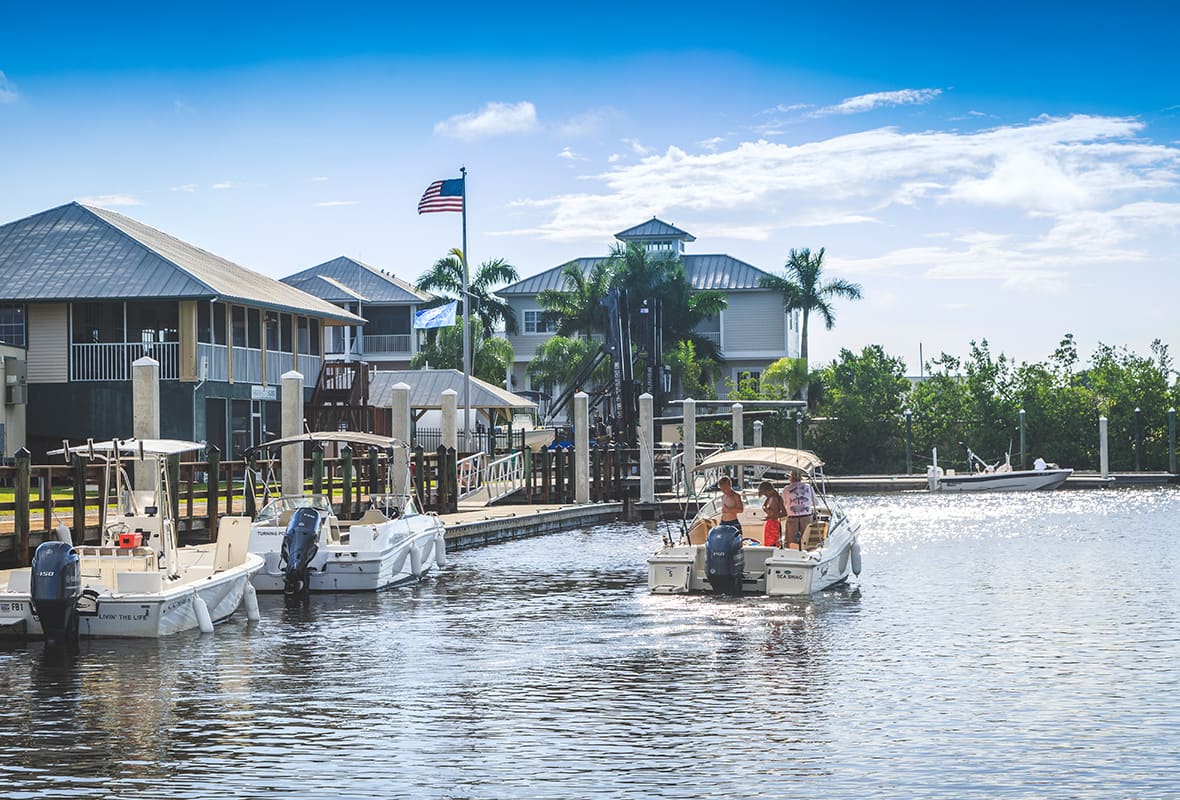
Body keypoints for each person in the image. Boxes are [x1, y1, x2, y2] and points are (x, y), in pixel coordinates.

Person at [782, 469, 816, 549]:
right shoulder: (808, 487)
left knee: (791, 540)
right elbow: (816, 503)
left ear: (791, 478)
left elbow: (784, 504)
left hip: (792, 518)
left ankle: (792, 552)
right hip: (806, 517)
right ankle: (807, 551)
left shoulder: (786, 489)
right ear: (801, 478)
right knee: (807, 538)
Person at [757, 480, 783, 548]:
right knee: (769, 544)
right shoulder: (770, 498)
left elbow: (784, 512)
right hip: (770, 522)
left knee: (772, 544)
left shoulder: (777, 498)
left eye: (765, 493)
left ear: (769, 490)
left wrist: (773, 516)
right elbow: (764, 506)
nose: (765, 495)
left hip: (774, 523)